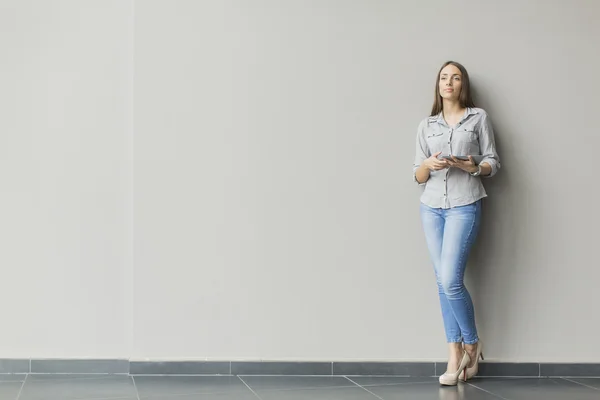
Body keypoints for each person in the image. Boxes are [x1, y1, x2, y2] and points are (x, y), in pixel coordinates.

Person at [412, 61, 500, 386]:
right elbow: (416, 175)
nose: (449, 82)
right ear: (438, 84)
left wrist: (472, 166)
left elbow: (493, 161)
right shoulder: (426, 124)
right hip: (431, 207)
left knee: (450, 280)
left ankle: (472, 345)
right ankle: (454, 353)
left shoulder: (478, 118)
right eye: (444, 77)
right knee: (441, 282)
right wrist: (428, 164)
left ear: (463, 85)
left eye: (456, 77)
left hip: (465, 205)